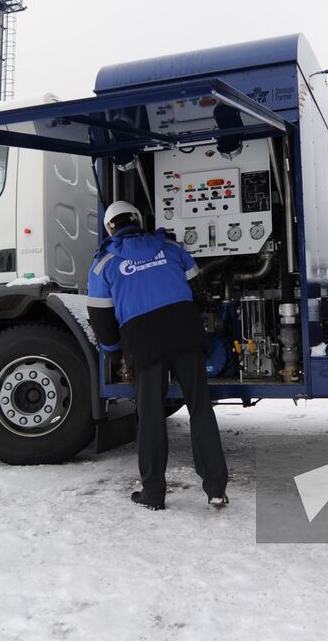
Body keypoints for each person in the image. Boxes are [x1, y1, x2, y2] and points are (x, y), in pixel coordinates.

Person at [87, 200, 228, 510]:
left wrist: (113, 352)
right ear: (138, 220)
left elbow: (99, 316)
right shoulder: (171, 247)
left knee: (150, 417)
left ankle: (153, 494)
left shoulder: (103, 263)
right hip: (184, 330)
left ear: (110, 228)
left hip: (143, 340)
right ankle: (216, 489)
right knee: (200, 409)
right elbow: (200, 290)